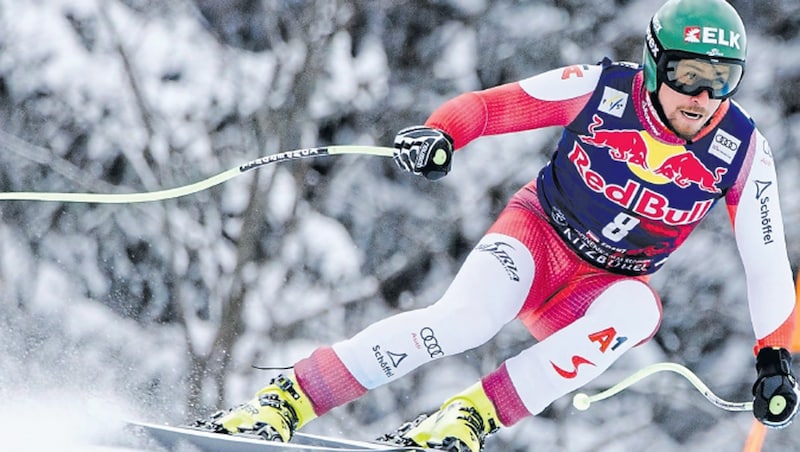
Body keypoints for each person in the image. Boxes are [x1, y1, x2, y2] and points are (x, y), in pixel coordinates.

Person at [206, 0, 799, 450]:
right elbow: (491, 106)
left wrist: (775, 361)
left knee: (641, 312)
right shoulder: (603, 90)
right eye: (689, 74)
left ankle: (467, 416)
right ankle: (284, 401)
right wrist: (442, 133)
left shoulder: (740, 149)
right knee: (464, 321)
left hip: (598, 288)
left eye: (722, 80)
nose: (702, 97)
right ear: (654, 63)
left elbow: (767, 261)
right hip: (537, 240)